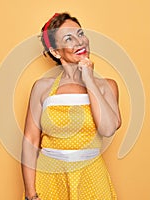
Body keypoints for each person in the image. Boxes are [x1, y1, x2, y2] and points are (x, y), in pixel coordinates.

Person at [21, 12, 121, 200]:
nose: (79, 41)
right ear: (56, 52)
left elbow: (107, 129)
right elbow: (30, 142)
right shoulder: (42, 88)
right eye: (69, 38)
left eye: (80, 33)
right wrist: (30, 194)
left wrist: (89, 79)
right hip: (50, 179)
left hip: (91, 176)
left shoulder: (107, 86)